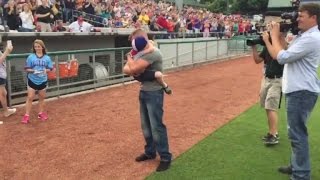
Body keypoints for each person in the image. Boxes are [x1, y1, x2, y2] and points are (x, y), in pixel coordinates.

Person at [262, 3, 320, 180]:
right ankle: (296, 166)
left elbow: (282, 57)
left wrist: (272, 35)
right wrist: (275, 38)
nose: (297, 18)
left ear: (314, 18)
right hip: (299, 89)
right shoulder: (305, 35)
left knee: (297, 134)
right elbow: (285, 53)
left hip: (301, 90)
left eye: (302, 15)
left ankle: (301, 174)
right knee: (294, 131)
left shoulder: (312, 37)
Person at [123, 30, 172, 172]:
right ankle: (150, 152)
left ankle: (165, 157)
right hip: (144, 91)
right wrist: (131, 63)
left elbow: (133, 68)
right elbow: (125, 69)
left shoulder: (153, 53)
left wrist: (132, 64)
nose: (134, 45)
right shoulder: (139, 51)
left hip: (154, 93)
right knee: (146, 126)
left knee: (156, 126)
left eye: (135, 40)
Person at [252, 30, 286, 145]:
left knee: (271, 107)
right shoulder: (267, 47)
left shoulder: (280, 45)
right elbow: (257, 60)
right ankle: (271, 132)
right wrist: (254, 47)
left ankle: (274, 134)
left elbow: (279, 55)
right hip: (266, 78)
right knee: (267, 106)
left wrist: (269, 39)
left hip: (277, 80)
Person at [22, 39, 54, 124]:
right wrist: (33, 71)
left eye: (38, 46)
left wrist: (45, 70)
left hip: (42, 80)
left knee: (42, 97)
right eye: (35, 47)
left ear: (42, 47)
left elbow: (50, 68)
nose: (37, 48)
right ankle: (26, 115)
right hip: (32, 79)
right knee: (30, 97)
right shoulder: (31, 57)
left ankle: (40, 113)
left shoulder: (47, 58)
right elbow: (26, 68)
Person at [0, 41, 16, 123]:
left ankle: (6, 111)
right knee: (2, 94)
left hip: (1, 75)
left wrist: (7, 51)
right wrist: (7, 51)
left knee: (3, 93)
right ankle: (6, 111)